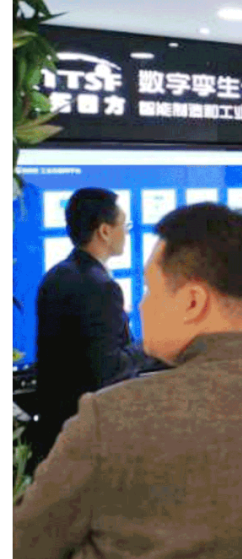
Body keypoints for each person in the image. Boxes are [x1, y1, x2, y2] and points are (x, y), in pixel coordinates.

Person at [14, 204, 242, 559]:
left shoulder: (109, 418)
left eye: (150, 289)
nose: (141, 306)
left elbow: (24, 552)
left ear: (193, 302)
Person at [33, 188, 156, 465]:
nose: (127, 232)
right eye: (124, 224)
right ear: (104, 231)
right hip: (92, 440)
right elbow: (108, 370)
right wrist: (150, 345)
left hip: (56, 434)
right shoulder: (101, 288)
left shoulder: (55, 276)